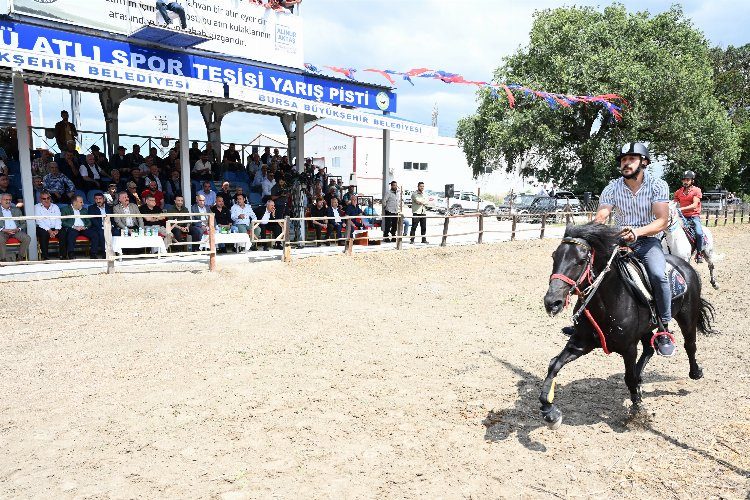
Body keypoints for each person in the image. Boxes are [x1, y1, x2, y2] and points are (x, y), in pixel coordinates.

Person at [595, 142, 675, 357]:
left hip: (647, 241)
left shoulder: (658, 185)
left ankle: (664, 327)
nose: (626, 163)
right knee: (591, 270)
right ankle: (584, 322)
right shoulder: (612, 188)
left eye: (631, 159)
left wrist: (637, 233)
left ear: (644, 162)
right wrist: (594, 230)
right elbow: (602, 215)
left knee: (659, 276)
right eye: (623, 160)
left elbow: (662, 221)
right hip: (619, 241)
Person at [673, 170, 705, 263]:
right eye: (684, 180)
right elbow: (674, 203)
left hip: (693, 216)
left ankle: (699, 253)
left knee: (699, 233)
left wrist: (680, 209)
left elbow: (695, 205)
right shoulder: (678, 192)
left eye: (688, 180)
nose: (685, 182)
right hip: (682, 217)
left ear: (692, 181)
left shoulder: (696, 190)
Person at [0, 193, 30, 262]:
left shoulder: (16, 210)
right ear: (0, 200)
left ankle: (19, 257)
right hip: (3, 232)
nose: (8, 201)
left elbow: (24, 223)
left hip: (15, 231)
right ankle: (3, 259)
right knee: (0, 239)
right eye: (6, 200)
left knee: (27, 238)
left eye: (10, 200)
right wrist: (3, 230)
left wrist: (18, 229)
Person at [35, 191, 63, 260]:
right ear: (40, 199)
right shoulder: (36, 207)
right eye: (44, 199)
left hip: (55, 227)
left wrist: (56, 230)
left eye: (48, 198)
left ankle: (63, 255)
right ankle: (45, 256)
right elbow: (39, 221)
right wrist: (50, 231)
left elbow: (58, 219)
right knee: (43, 234)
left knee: (63, 233)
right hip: (43, 228)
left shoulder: (55, 206)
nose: (46, 200)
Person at [86, 192, 113, 257]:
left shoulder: (109, 207)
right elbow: (93, 219)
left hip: (109, 226)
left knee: (116, 232)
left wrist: (111, 226)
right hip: (97, 227)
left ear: (103, 199)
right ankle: (104, 253)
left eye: (100, 199)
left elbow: (112, 218)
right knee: (101, 232)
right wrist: (102, 226)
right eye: (96, 199)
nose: (98, 201)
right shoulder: (91, 208)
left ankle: (118, 251)